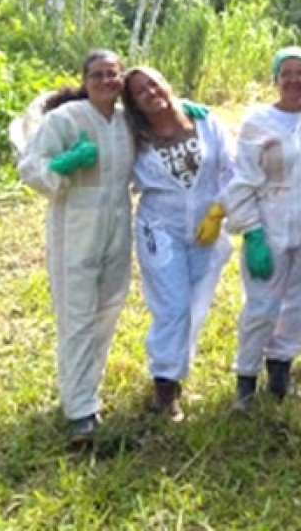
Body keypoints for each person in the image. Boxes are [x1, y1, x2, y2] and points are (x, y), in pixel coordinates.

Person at [216, 46, 301, 410]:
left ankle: (280, 375)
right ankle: (245, 382)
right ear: (276, 79)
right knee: (260, 307)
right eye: (286, 73)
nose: (294, 79)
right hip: (270, 226)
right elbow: (243, 180)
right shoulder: (258, 121)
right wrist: (251, 231)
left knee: (299, 306)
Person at [16, 49, 135, 444]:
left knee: (106, 312)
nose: (106, 81)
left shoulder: (124, 122)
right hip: (77, 230)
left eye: (113, 74)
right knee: (78, 318)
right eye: (98, 74)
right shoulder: (65, 119)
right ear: (84, 80)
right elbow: (31, 168)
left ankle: (84, 391)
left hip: (117, 227)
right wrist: (63, 165)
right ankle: (80, 412)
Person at [120, 66, 233, 422]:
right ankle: (164, 390)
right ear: (134, 103)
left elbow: (233, 169)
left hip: (206, 229)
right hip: (160, 229)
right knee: (173, 307)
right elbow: (97, 107)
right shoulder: (132, 135)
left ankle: (176, 373)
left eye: (154, 83)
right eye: (140, 91)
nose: (150, 92)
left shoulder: (207, 123)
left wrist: (220, 209)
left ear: (167, 84)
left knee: (196, 306)